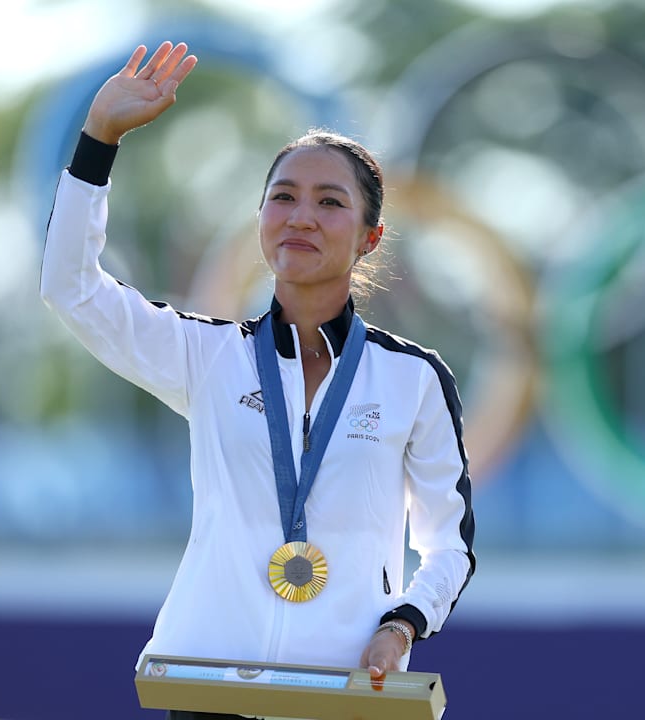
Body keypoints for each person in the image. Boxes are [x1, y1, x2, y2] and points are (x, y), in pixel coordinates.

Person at [39, 42, 476, 719]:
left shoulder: (413, 379)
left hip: (346, 694)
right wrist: (99, 139)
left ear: (369, 237)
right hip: (204, 684)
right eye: (284, 197)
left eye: (330, 202)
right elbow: (69, 288)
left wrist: (403, 624)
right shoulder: (206, 355)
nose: (301, 216)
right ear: (260, 219)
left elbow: (450, 543)